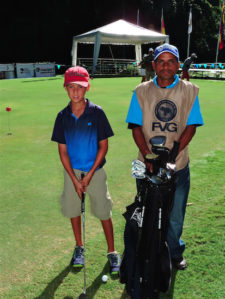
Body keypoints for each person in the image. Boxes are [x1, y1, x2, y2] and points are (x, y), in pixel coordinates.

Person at [126, 43, 204, 270]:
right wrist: (149, 156)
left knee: (176, 213)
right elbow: (135, 126)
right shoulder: (141, 91)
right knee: (146, 209)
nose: (166, 66)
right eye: (161, 61)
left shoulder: (189, 90)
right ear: (154, 65)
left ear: (178, 65)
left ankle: (174, 251)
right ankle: (147, 249)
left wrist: (173, 154)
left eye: (171, 62)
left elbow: (191, 126)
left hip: (177, 163)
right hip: (146, 163)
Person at [51, 66, 120, 274]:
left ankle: (112, 251)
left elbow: (103, 146)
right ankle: (79, 247)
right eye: (71, 86)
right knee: (73, 211)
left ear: (87, 87)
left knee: (103, 211)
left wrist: (89, 175)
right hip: (72, 172)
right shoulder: (62, 117)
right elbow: (62, 152)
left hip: (95, 172)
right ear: (65, 88)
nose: (75, 91)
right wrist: (74, 179)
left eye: (79, 87)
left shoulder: (97, 113)